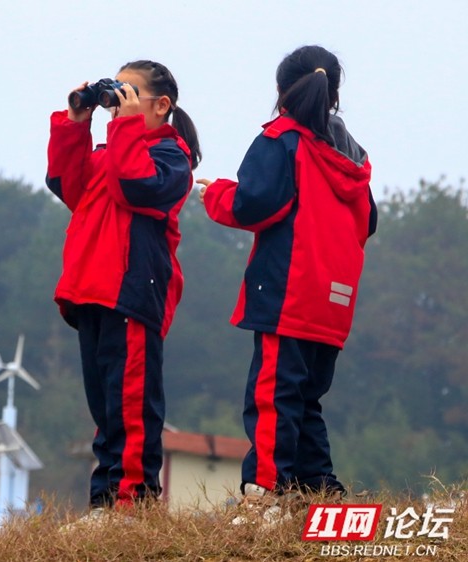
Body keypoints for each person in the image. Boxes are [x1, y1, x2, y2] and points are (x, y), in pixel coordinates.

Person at [197, 45, 377, 513]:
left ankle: (265, 493)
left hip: (289, 292)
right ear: (333, 94)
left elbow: (255, 204)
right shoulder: (352, 157)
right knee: (306, 397)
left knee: (273, 395)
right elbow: (368, 221)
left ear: (281, 92)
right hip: (334, 299)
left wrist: (216, 194)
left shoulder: (281, 140)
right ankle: (319, 491)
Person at [46, 60, 200, 513]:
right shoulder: (109, 152)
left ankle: (134, 502)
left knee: (131, 404)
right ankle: (104, 502)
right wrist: (76, 123)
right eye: (115, 95)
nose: (118, 104)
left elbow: (136, 187)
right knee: (105, 408)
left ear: (161, 105)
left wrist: (125, 128)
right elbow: (67, 185)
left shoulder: (172, 159)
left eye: (128, 94)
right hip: (90, 291)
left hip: (131, 292)